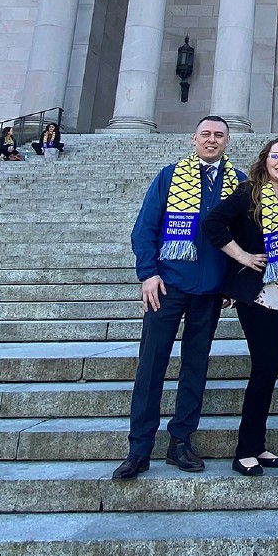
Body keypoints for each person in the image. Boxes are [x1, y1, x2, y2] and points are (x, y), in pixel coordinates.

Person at [112, 115, 244, 480]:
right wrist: (148, 274)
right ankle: (139, 449)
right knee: (151, 366)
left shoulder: (240, 184)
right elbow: (145, 228)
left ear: (228, 142)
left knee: (195, 367)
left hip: (210, 290)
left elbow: (245, 237)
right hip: (168, 286)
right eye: (206, 134)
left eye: (219, 135)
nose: (212, 140)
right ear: (194, 138)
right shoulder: (169, 177)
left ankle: (181, 440)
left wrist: (232, 282)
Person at [203, 138, 278, 476]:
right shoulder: (249, 192)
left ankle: (258, 444)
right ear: (264, 161)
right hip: (259, 294)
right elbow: (213, 223)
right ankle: (245, 449)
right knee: (263, 369)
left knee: (270, 369)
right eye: (274, 156)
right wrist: (242, 257)